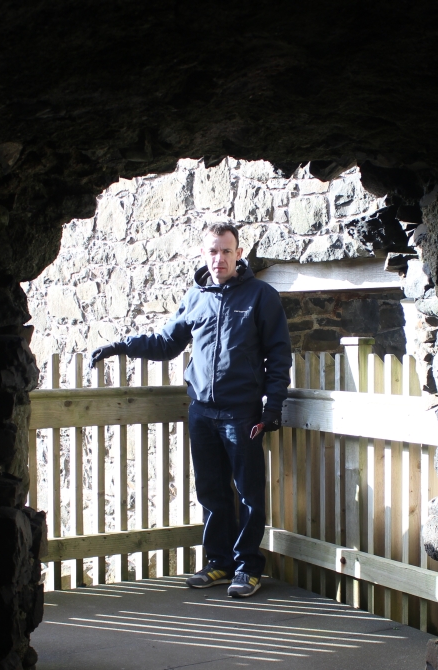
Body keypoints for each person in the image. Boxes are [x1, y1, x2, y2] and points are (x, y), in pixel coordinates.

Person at [89, 221, 292, 598]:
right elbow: (167, 343)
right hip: (202, 412)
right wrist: (121, 345)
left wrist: (272, 406)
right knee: (212, 492)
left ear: (238, 254)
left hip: (242, 414)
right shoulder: (196, 297)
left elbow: (279, 355)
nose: (219, 258)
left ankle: (248, 568)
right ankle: (219, 563)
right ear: (204, 253)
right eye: (213, 251)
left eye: (227, 251)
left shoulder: (261, 296)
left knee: (248, 495)